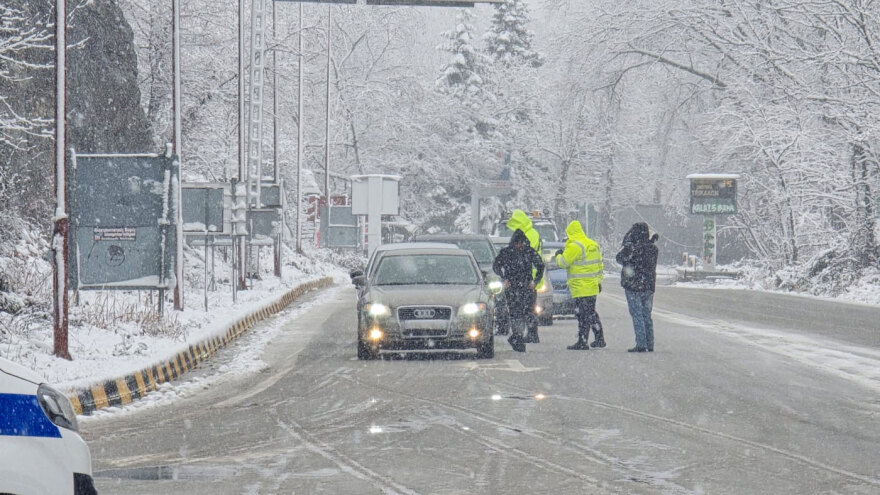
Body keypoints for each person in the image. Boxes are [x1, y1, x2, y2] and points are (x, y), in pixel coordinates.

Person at [554, 220, 604, 350]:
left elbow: (563, 262)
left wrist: (558, 255)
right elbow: (600, 265)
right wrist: (598, 281)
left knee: (582, 315)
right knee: (591, 313)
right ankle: (599, 338)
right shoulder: (593, 244)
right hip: (592, 285)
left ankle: (582, 342)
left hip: (580, 287)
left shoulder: (575, 246)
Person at [493, 229, 545, 352]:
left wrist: (535, 281)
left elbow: (540, 266)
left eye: (521, 243)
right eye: (517, 243)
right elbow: (496, 265)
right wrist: (503, 277)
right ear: (513, 243)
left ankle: (526, 335)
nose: (519, 246)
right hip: (512, 288)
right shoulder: (506, 252)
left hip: (527, 288)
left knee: (528, 312)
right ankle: (518, 338)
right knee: (516, 314)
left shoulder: (529, 252)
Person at [616, 222, 659, 352]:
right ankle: (649, 342)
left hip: (633, 285)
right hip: (649, 285)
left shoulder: (631, 248)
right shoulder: (653, 248)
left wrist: (628, 242)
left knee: (637, 314)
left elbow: (619, 258)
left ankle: (641, 343)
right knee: (646, 314)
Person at [505, 209, 545, 343]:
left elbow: (527, 255)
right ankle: (529, 333)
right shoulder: (529, 233)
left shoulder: (529, 235)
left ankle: (531, 334)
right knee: (526, 308)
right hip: (526, 278)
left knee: (527, 308)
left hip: (528, 278)